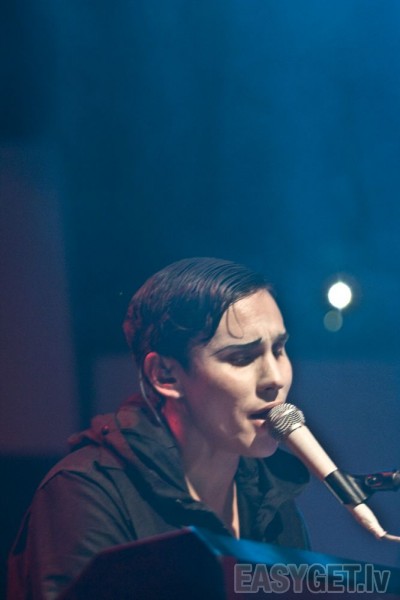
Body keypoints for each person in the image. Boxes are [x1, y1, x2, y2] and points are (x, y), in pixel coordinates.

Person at [8, 257, 309, 600]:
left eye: (279, 349)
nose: (275, 378)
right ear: (165, 375)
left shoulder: (271, 500)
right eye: (242, 358)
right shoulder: (84, 493)